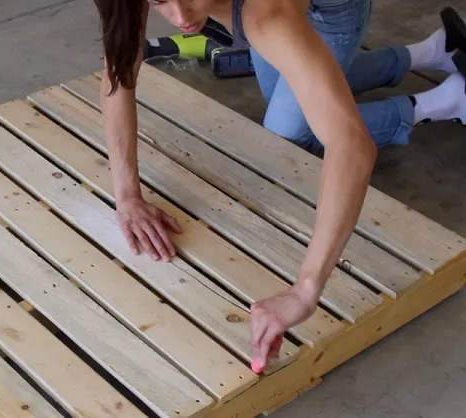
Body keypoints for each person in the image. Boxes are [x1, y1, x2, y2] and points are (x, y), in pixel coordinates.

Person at [92, 0, 466, 372]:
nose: (180, 17)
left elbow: (351, 146)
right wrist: (126, 196)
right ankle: (433, 51)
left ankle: (444, 101)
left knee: (288, 136)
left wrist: (305, 289)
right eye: (160, 1)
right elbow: (119, 68)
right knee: (300, 87)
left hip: (335, 8)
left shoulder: (266, 17)